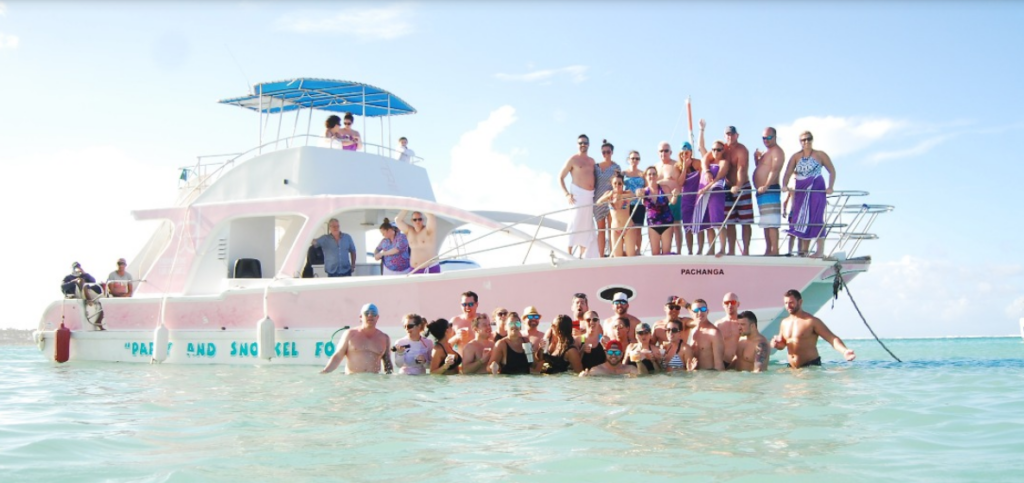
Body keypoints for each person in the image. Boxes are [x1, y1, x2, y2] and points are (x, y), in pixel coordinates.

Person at [782, 131, 837, 258]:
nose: (806, 142)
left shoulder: (820, 155)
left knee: (816, 217)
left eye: (808, 139)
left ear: (812, 140)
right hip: (801, 190)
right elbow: (787, 172)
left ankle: (819, 251)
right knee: (802, 219)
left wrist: (830, 186)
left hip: (816, 187)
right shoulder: (796, 156)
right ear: (800, 142)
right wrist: (784, 185)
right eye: (803, 140)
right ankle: (804, 251)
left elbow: (832, 171)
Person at [772, 289, 856, 368]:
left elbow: (832, 338)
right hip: (792, 368)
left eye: (791, 303)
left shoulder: (811, 321)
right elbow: (782, 345)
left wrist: (844, 351)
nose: (788, 306)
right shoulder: (784, 322)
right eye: (786, 303)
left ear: (800, 302)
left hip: (810, 367)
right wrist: (776, 344)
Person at [321, 303, 392, 374]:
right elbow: (338, 356)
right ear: (361, 317)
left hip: (373, 381)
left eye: (373, 313)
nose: (370, 315)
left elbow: (388, 365)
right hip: (353, 381)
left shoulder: (384, 338)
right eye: (366, 313)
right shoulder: (350, 334)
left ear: (377, 317)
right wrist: (325, 371)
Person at [558, 134, 598, 258]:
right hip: (577, 195)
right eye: (580, 143)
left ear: (589, 144)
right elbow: (560, 177)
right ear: (577, 144)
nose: (583, 145)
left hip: (589, 196)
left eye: (585, 142)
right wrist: (566, 194)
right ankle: (568, 253)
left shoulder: (592, 161)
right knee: (575, 222)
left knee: (586, 224)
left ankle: (582, 255)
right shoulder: (573, 159)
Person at [718, 126, 753, 256]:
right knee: (729, 221)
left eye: (732, 134)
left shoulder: (742, 149)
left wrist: (738, 185)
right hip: (727, 188)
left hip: (742, 187)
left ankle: (746, 251)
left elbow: (742, 168)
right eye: (727, 134)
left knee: (745, 221)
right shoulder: (723, 149)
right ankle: (731, 250)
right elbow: (708, 155)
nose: (730, 137)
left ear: (737, 135)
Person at [753, 127, 786, 256]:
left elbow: (775, 169)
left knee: (772, 222)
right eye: (764, 138)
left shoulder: (777, 151)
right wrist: (757, 159)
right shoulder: (767, 152)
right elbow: (762, 169)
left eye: (769, 137)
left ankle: (774, 250)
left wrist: (766, 185)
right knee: (766, 223)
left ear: (775, 137)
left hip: (770, 189)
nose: (766, 140)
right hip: (762, 192)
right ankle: (768, 249)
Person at [694, 141, 729, 257]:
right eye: (713, 149)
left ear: (723, 150)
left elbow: (719, 177)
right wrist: (702, 129)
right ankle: (711, 248)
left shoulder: (724, 162)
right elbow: (701, 147)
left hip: (716, 193)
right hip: (704, 194)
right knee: (707, 223)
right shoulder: (708, 161)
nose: (716, 152)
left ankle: (722, 248)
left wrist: (706, 188)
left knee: (718, 221)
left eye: (718, 149)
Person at [594, 173, 636, 257]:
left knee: (630, 255)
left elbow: (634, 196)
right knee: (617, 257)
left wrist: (620, 196)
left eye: (619, 183)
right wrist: (609, 197)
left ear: (622, 184)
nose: (617, 185)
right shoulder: (609, 194)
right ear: (612, 184)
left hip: (628, 228)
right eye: (615, 183)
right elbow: (598, 203)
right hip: (615, 229)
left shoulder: (627, 193)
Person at [638, 166, 676, 255]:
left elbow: (673, 202)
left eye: (654, 174)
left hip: (667, 223)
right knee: (655, 254)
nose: (652, 176)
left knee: (666, 254)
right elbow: (637, 194)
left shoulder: (665, 188)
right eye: (649, 174)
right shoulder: (643, 192)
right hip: (653, 225)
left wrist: (675, 195)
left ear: (657, 176)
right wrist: (638, 192)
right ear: (646, 177)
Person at [593, 139, 622, 258]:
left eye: (608, 152)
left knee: (611, 227)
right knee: (600, 229)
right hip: (598, 200)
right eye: (603, 152)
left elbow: (619, 183)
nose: (606, 154)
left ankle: (612, 253)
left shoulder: (616, 167)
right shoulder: (595, 167)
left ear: (612, 152)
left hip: (610, 199)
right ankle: (601, 255)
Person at [655, 141, 684, 254]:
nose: (664, 153)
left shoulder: (676, 165)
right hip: (660, 201)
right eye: (661, 151)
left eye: (666, 150)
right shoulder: (655, 166)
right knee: (663, 227)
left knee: (676, 225)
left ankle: (679, 251)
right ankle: (665, 250)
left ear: (670, 152)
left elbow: (684, 180)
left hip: (675, 198)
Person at [676, 143, 703, 255]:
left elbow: (703, 178)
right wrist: (685, 167)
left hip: (697, 197)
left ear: (691, 152)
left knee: (699, 225)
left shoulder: (697, 163)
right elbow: (680, 182)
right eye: (682, 153)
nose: (685, 155)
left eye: (687, 152)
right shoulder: (678, 166)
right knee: (687, 227)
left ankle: (700, 249)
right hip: (686, 199)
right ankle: (690, 250)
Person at [688, 299, 725, 370]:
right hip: (696, 376)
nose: (700, 312)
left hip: (709, 376)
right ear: (692, 313)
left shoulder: (714, 333)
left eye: (703, 309)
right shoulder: (693, 331)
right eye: (696, 310)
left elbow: (719, 363)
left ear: (707, 311)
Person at [621, 150, 646, 256]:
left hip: (639, 204)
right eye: (633, 158)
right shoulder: (623, 174)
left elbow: (647, 187)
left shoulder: (642, 174)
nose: (635, 160)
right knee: (626, 228)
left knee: (638, 229)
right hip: (626, 204)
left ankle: (638, 250)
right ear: (628, 160)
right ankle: (625, 249)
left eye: (637, 158)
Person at [714, 292, 743, 367]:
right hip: (723, 364)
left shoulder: (744, 324)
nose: (730, 305)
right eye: (727, 303)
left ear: (738, 304)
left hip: (740, 363)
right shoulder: (718, 325)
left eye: (733, 302)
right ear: (723, 305)